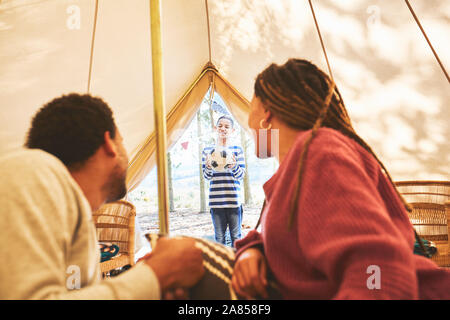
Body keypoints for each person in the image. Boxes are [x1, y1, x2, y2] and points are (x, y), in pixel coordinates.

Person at [231, 59, 450, 299]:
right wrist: (255, 249)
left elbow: (376, 269)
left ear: (266, 111)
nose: (248, 123)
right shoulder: (305, 162)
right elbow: (299, 239)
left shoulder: (319, 152)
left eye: (251, 104)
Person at [0, 93, 204, 299]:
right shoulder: (31, 168)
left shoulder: (75, 219)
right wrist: (155, 276)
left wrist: (145, 285)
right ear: (110, 143)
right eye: (122, 141)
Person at [202, 115, 246, 247]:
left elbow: (241, 175)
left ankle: (236, 265)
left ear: (232, 130)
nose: (223, 129)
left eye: (227, 127)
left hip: (234, 201)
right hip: (216, 202)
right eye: (220, 126)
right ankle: (222, 264)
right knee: (219, 238)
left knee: (236, 237)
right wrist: (209, 166)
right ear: (215, 128)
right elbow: (207, 176)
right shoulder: (207, 151)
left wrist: (234, 166)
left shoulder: (237, 150)